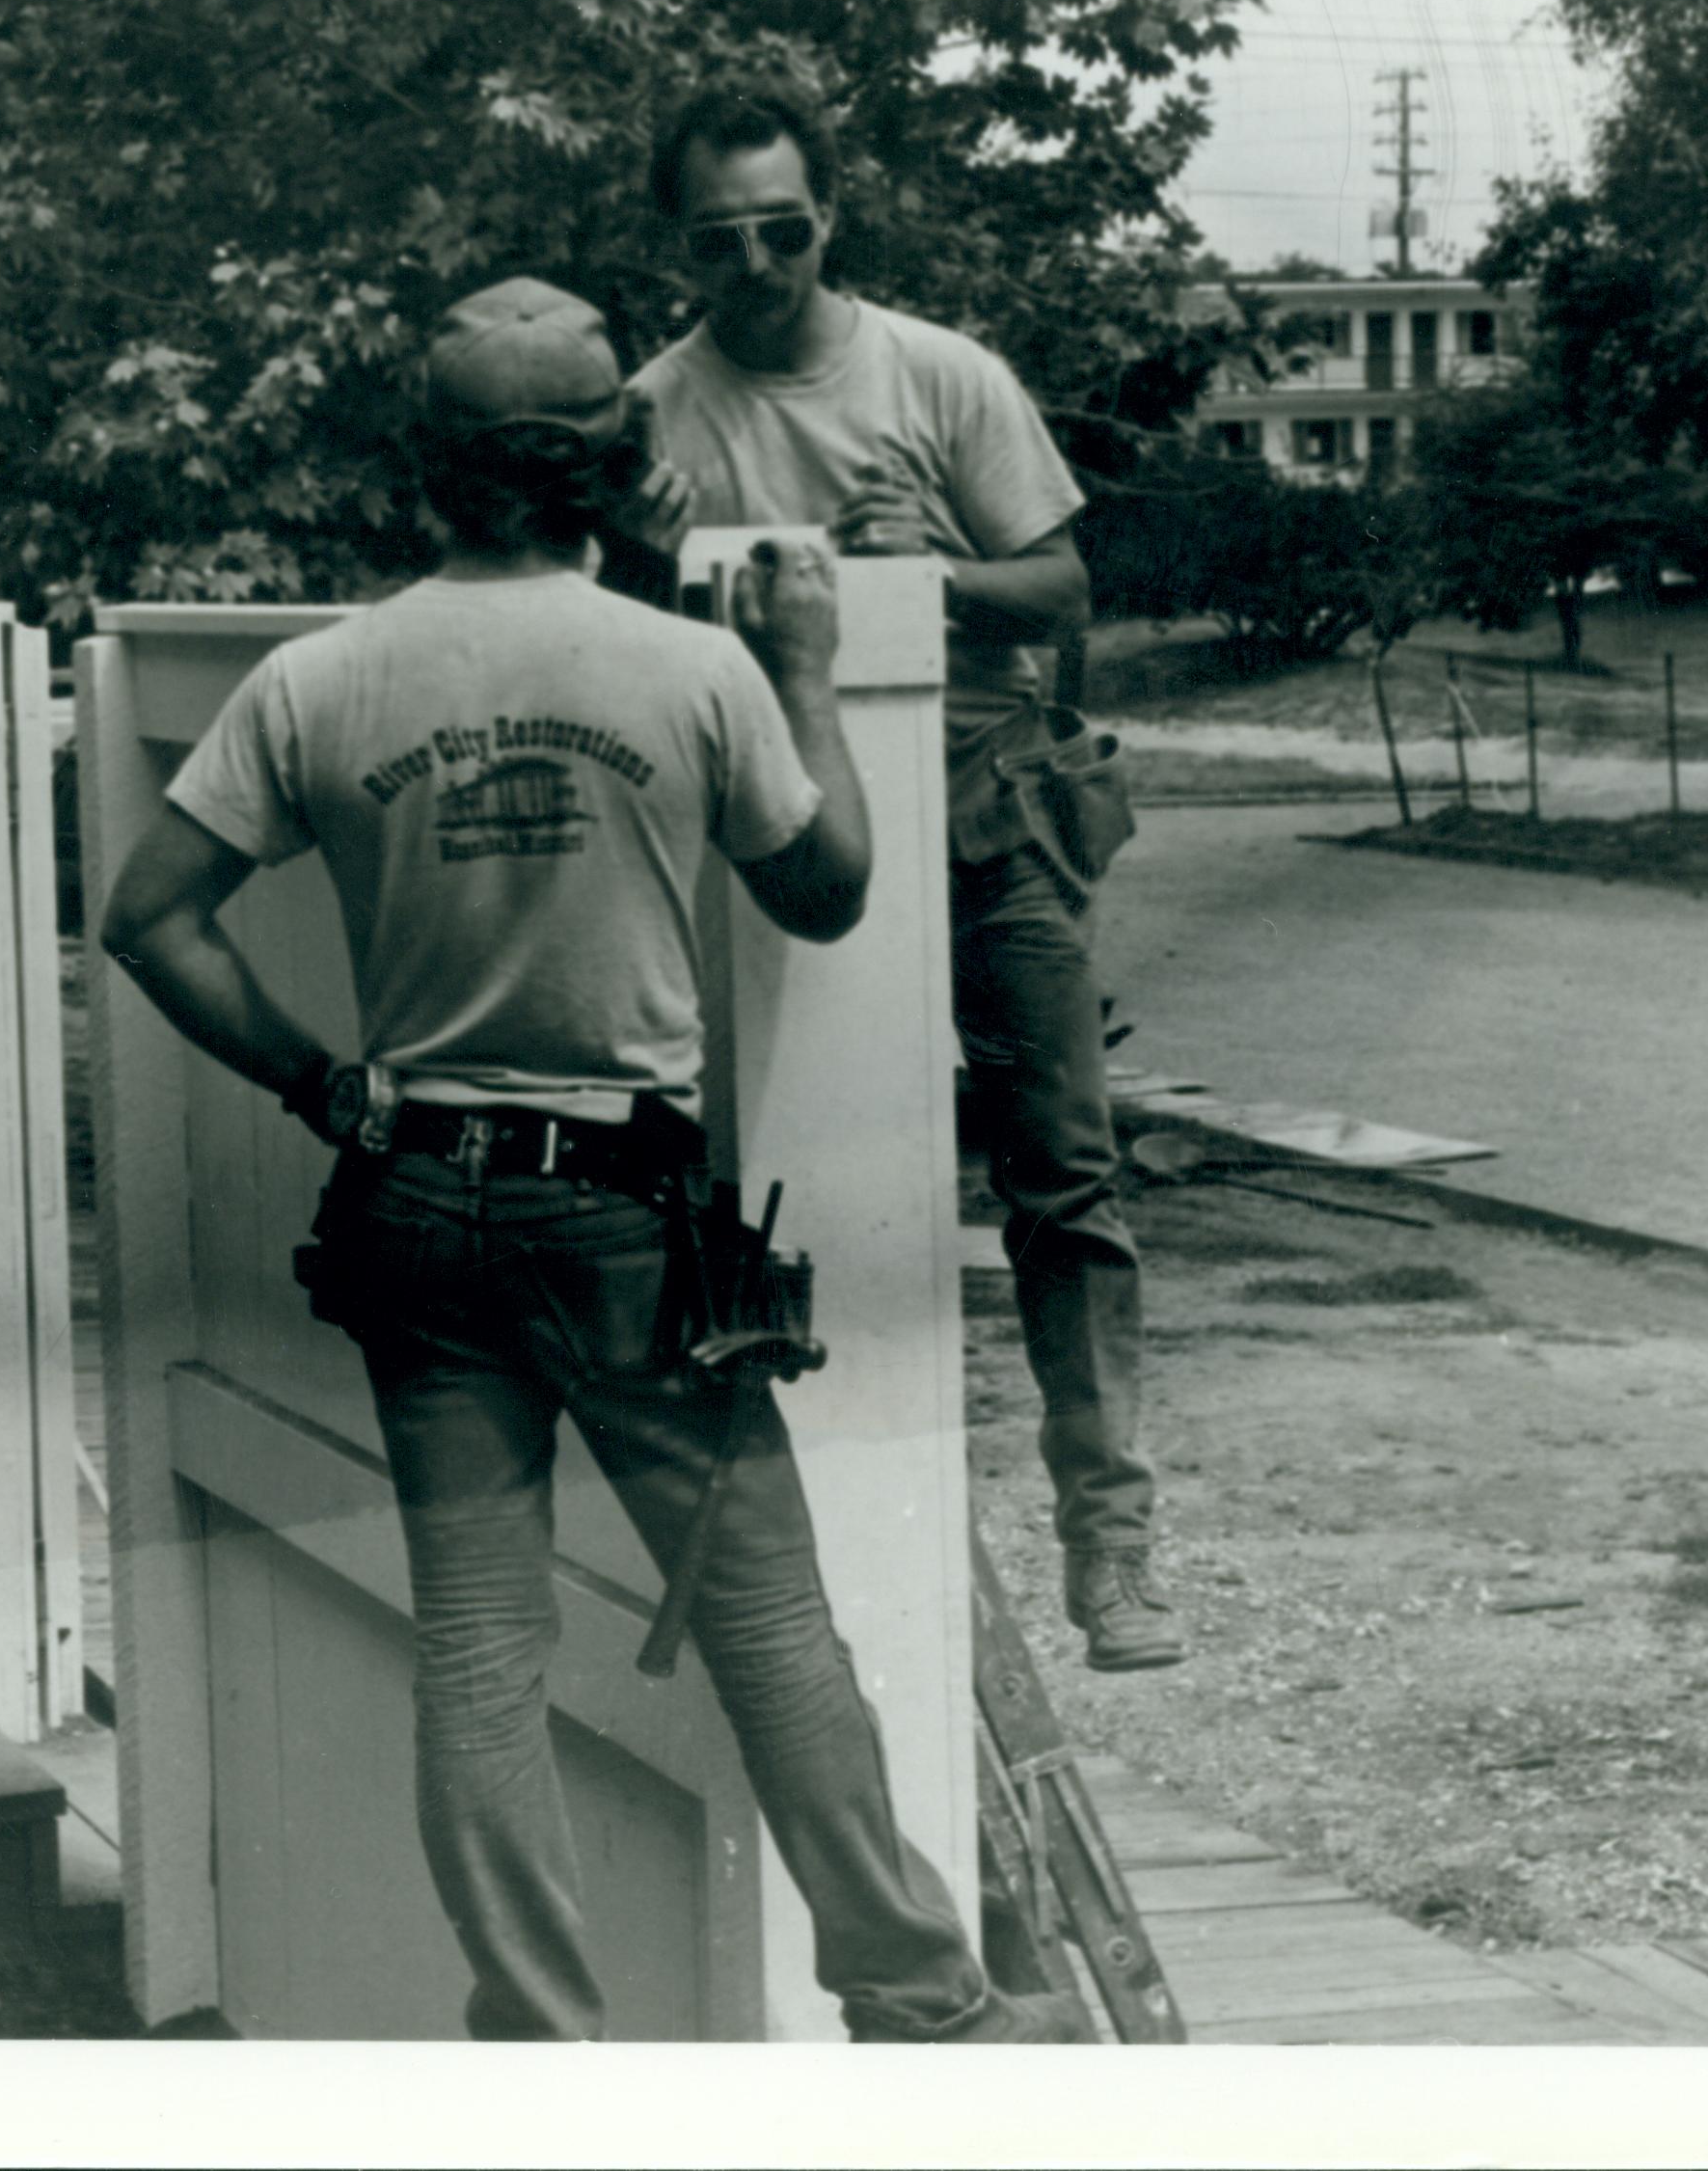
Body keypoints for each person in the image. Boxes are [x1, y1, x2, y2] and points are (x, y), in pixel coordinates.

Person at [98, 278, 1082, 2045]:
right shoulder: (689, 669)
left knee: (481, 1646)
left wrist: (324, 1087)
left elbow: (152, 919)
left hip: (411, 1209)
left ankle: (551, 2055)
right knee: (774, 1628)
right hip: (623, 1225)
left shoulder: (321, 677)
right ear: (613, 468)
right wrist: (803, 680)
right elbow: (829, 888)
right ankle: (927, 2009)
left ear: (428, 475)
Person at [616, 79, 1180, 1672]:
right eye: (720, 241)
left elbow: (1062, 587)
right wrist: (628, 549)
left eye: (784, 230)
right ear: (680, 246)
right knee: (746, 1171)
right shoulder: (655, 410)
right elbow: (612, 639)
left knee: (1062, 1169)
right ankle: (784, 1549)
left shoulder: (939, 374)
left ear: (829, 219)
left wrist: (929, 571)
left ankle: (1112, 1544)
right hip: (772, 828)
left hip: (986, 805)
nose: (757, 266)